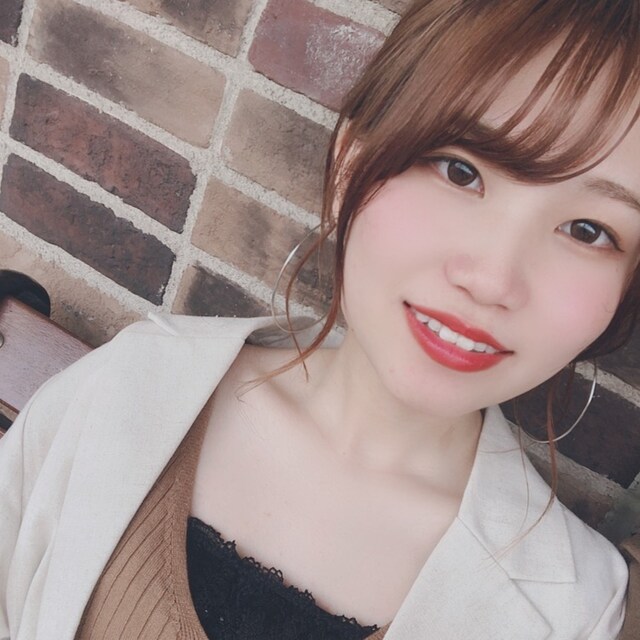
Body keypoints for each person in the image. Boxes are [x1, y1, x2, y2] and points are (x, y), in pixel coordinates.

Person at [1, 0, 640, 638]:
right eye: (461, 171)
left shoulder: (575, 613)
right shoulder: (134, 385)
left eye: (588, 230)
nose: (493, 280)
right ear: (349, 167)